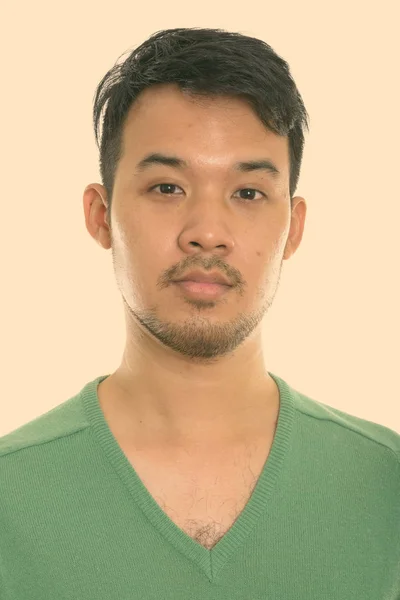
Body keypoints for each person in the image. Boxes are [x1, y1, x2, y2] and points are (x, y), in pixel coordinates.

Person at [1, 27, 399, 600]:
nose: (207, 233)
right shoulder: (10, 497)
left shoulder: (386, 486)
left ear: (295, 227)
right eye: (167, 187)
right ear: (100, 215)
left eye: (247, 194)